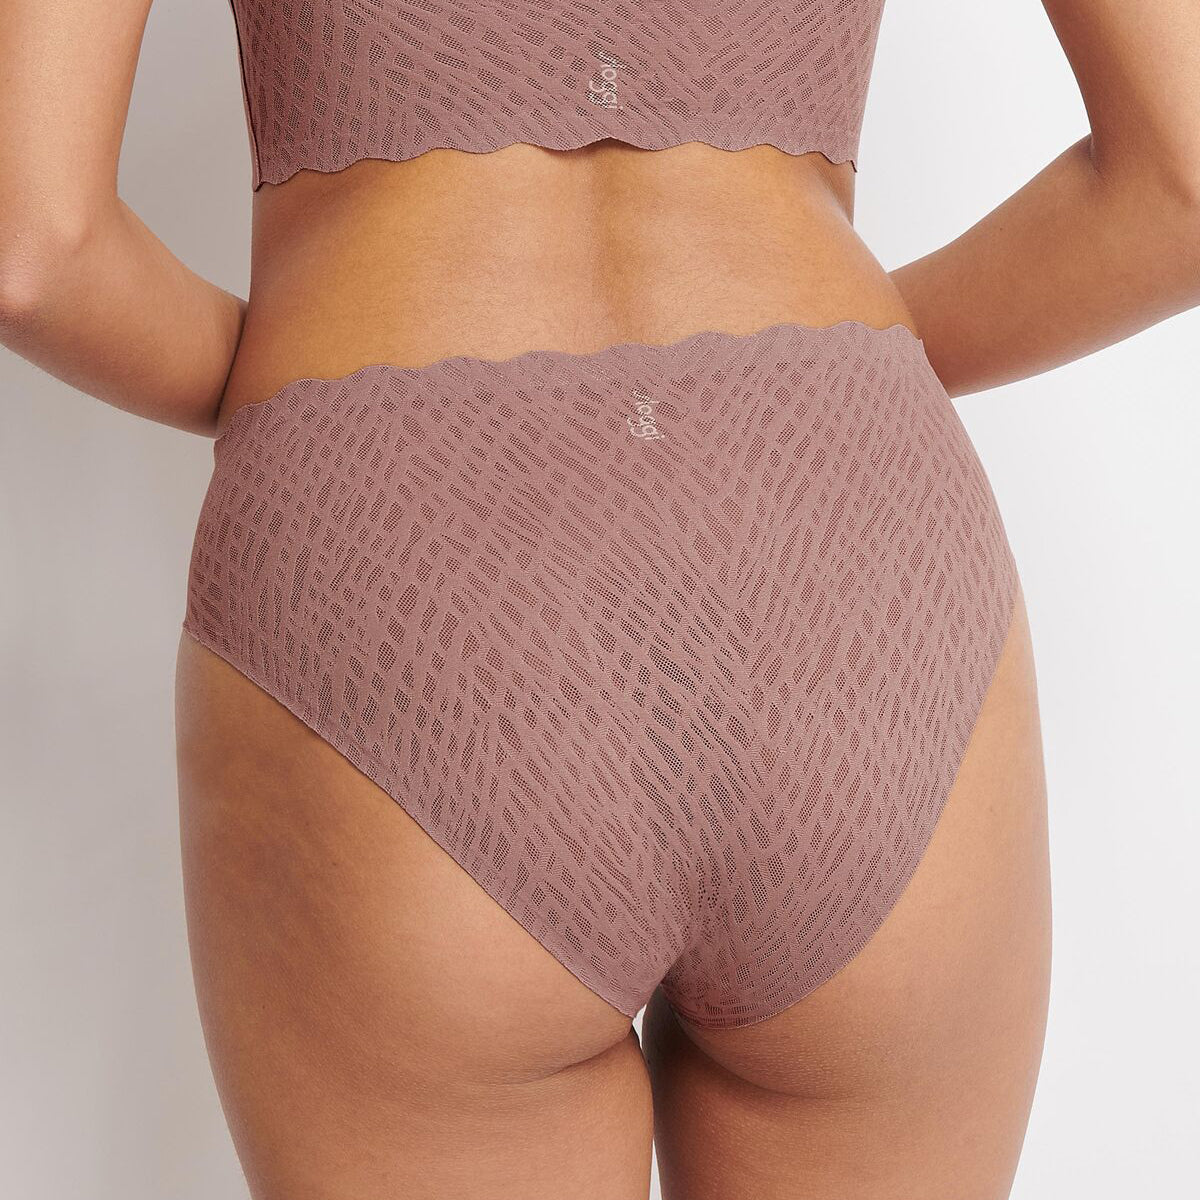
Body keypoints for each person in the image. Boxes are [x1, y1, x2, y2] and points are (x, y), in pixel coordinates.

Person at [2, 2, 1197, 1197]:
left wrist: (316, 406)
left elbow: (36, 249)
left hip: (405, 570)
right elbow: (1181, 184)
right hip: (852, 555)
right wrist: (838, 363)